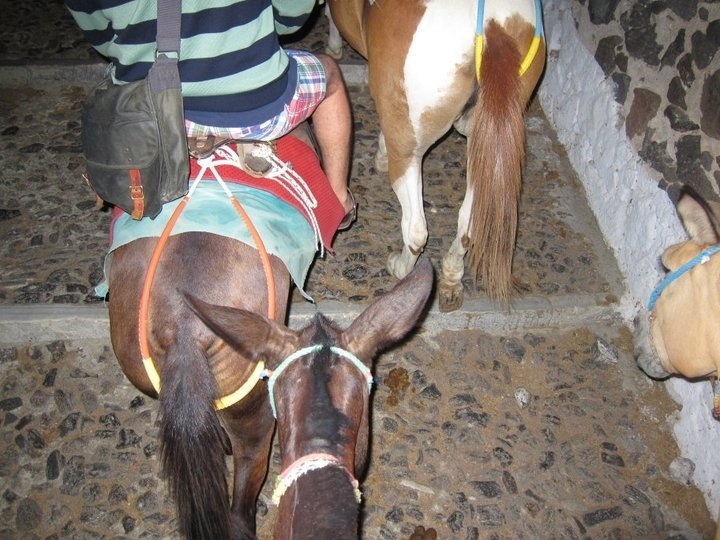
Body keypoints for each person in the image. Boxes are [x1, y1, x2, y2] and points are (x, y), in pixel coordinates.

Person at [65, 0, 356, 228]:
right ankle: (338, 200)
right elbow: (291, 19)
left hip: (147, 116)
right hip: (253, 107)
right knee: (329, 74)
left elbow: (102, 38)